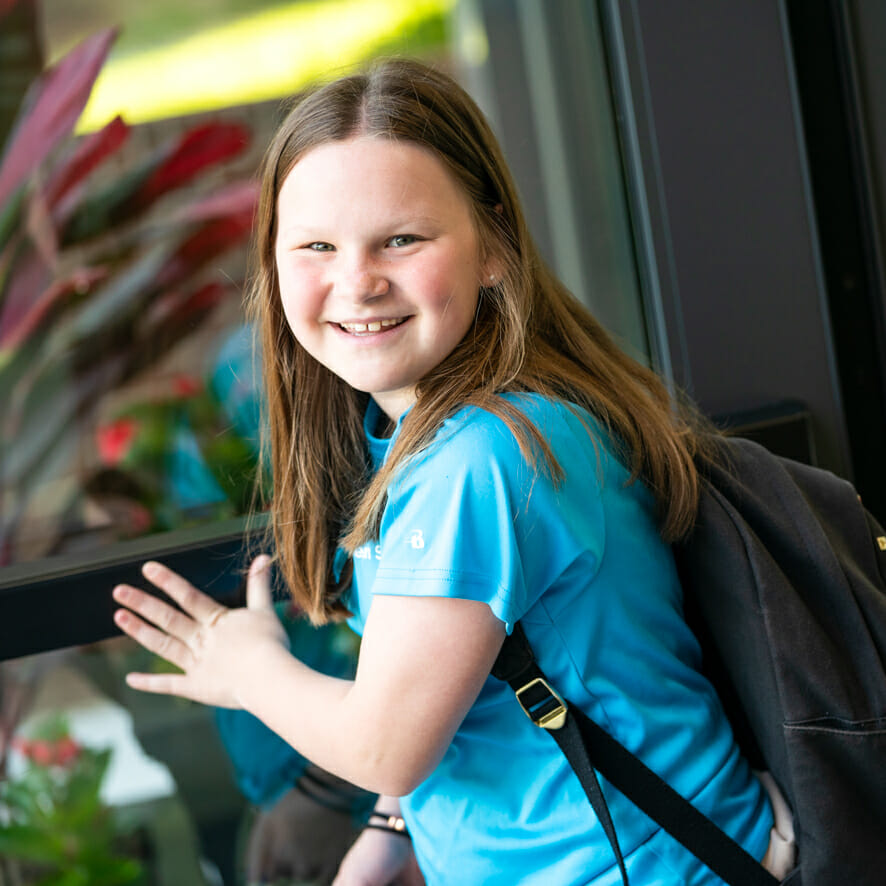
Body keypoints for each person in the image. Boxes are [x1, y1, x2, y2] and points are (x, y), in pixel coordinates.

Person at [111, 58, 795, 884]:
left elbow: (385, 745)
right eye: (317, 245)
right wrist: (392, 833)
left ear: (495, 249)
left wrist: (249, 668)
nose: (357, 281)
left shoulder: (483, 459)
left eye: (401, 239)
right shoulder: (429, 429)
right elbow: (474, 681)